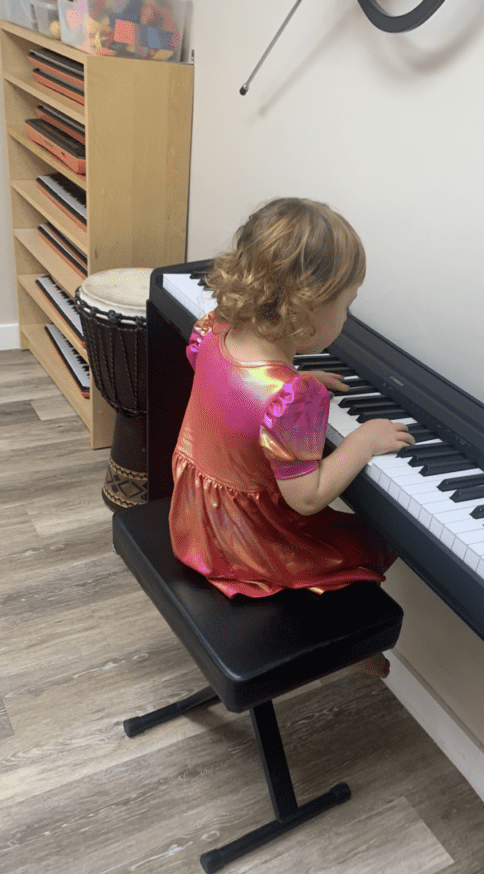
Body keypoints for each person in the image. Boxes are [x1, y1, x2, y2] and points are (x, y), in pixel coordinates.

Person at [168, 198, 414, 674]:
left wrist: (293, 386)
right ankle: (338, 641)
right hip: (247, 545)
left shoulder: (217, 331)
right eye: (346, 306)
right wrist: (361, 441)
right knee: (382, 537)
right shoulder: (289, 396)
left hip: (196, 518)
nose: (347, 318)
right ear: (307, 309)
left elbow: (240, 402)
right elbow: (307, 499)